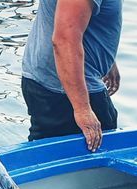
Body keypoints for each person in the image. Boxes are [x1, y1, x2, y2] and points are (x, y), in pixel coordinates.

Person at [21, 0, 122, 151]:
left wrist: (106, 58)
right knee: (95, 150)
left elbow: (74, 18)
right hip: (64, 91)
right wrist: (82, 109)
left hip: (48, 80)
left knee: (47, 151)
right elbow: (64, 40)